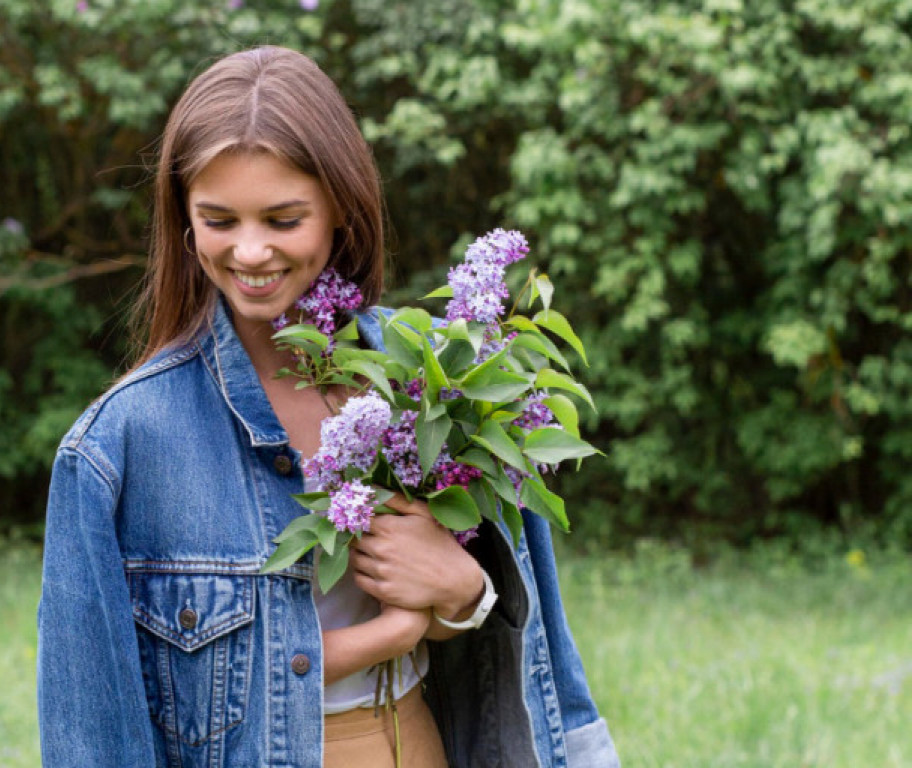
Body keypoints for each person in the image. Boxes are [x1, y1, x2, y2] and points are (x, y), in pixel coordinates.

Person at [37, 45, 620, 768]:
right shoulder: (118, 447)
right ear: (184, 222)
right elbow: (92, 737)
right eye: (220, 220)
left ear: (340, 210)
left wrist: (465, 589)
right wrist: (394, 632)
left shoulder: (442, 382)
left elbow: (532, 657)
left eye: (283, 220)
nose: (250, 252)